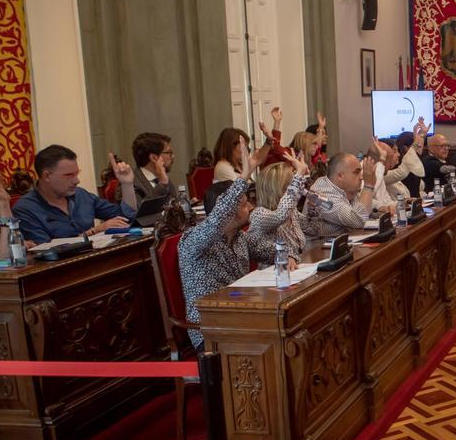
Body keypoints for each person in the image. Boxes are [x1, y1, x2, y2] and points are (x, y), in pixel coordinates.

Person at [179, 142, 290, 350]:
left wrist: (288, 257)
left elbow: (275, 249)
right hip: (210, 330)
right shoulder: (193, 240)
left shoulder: (240, 238)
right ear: (228, 210)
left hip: (240, 316)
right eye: (244, 204)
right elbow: (217, 218)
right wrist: (243, 177)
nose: (251, 207)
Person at [13, 145, 139, 244]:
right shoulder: (25, 209)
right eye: (68, 175)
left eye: (77, 173)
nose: (77, 181)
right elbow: (46, 250)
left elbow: (125, 217)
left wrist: (126, 184)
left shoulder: (80, 195)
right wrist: (94, 231)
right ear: (46, 176)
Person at [249, 153, 318, 256]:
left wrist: (312, 209)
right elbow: (281, 215)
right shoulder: (258, 215)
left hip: (299, 264)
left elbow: (313, 229)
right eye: (290, 184)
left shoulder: (292, 211)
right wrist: (299, 173)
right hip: (276, 266)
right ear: (276, 188)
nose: (295, 189)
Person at [307, 151, 378, 236]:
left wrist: (381, 207)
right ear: (340, 176)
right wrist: (368, 185)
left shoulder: (347, 190)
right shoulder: (320, 195)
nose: (361, 177)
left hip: (344, 241)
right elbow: (358, 220)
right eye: (356, 172)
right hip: (321, 244)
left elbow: (361, 206)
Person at [130, 132, 179, 202]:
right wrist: (162, 184)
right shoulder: (131, 183)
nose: (173, 156)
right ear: (154, 158)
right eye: (168, 153)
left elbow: (173, 204)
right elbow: (142, 208)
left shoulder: (161, 178)